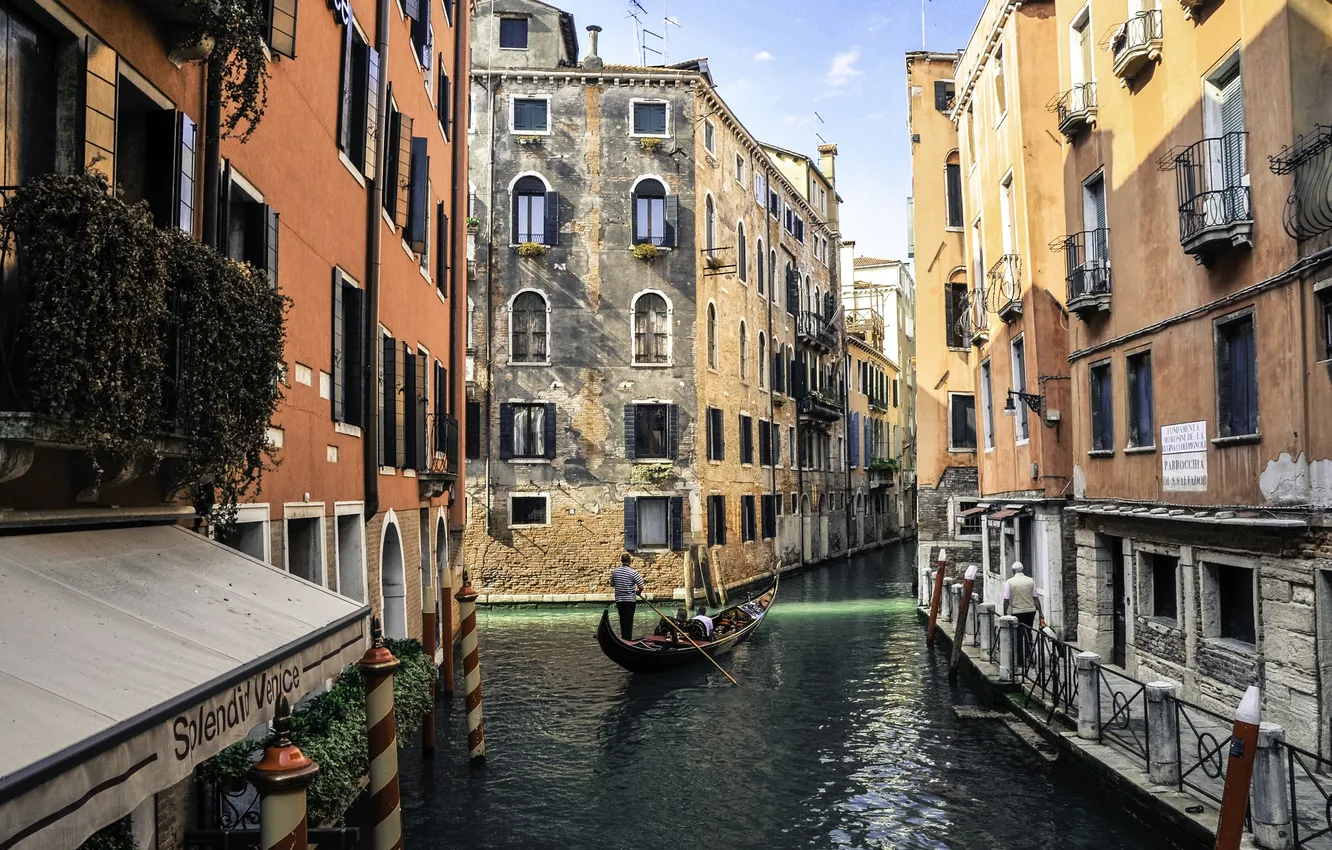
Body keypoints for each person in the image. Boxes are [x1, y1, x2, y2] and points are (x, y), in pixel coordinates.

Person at [1002, 561, 1043, 663]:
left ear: (1013, 571)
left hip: (1017, 611)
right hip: (1030, 611)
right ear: (1022, 570)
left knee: (1018, 635)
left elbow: (1006, 599)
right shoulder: (1030, 581)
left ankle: (1020, 659)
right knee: (1028, 632)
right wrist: (1040, 612)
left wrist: (1005, 612)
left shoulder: (1009, 582)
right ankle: (1030, 656)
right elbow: (1035, 598)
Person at [610, 553, 645, 639]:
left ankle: (624, 638)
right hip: (630, 600)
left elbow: (612, 584)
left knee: (622, 620)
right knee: (629, 621)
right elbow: (641, 586)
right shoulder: (633, 572)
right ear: (630, 561)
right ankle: (628, 639)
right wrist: (638, 592)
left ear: (621, 561)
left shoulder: (615, 572)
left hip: (620, 600)